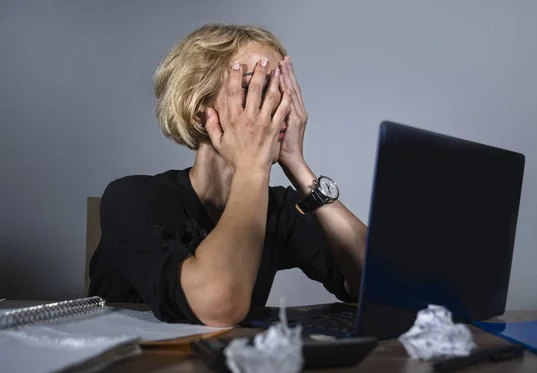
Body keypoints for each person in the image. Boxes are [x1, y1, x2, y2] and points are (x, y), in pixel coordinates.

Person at [88, 24, 368, 327]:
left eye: (282, 90)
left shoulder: (279, 210)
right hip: (130, 370)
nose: (278, 105)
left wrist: (297, 164)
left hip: (222, 371)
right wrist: (252, 166)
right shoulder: (132, 198)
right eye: (254, 88)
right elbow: (217, 305)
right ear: (197, 109)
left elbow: (377, 283)